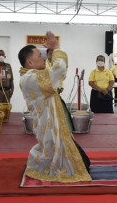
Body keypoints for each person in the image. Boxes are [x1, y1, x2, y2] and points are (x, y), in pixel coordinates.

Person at [18, 31, 91, 182]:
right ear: (29, 62)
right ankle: (40, 164)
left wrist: (52, 56)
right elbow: (59, 71)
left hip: (54, 125)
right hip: (50, 128)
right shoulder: (29, 79)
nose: (43, 57)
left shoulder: (33, 75)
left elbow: (52, 72)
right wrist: (57, 49)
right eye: (40, 56)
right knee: (77, 164)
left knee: (83, 162)